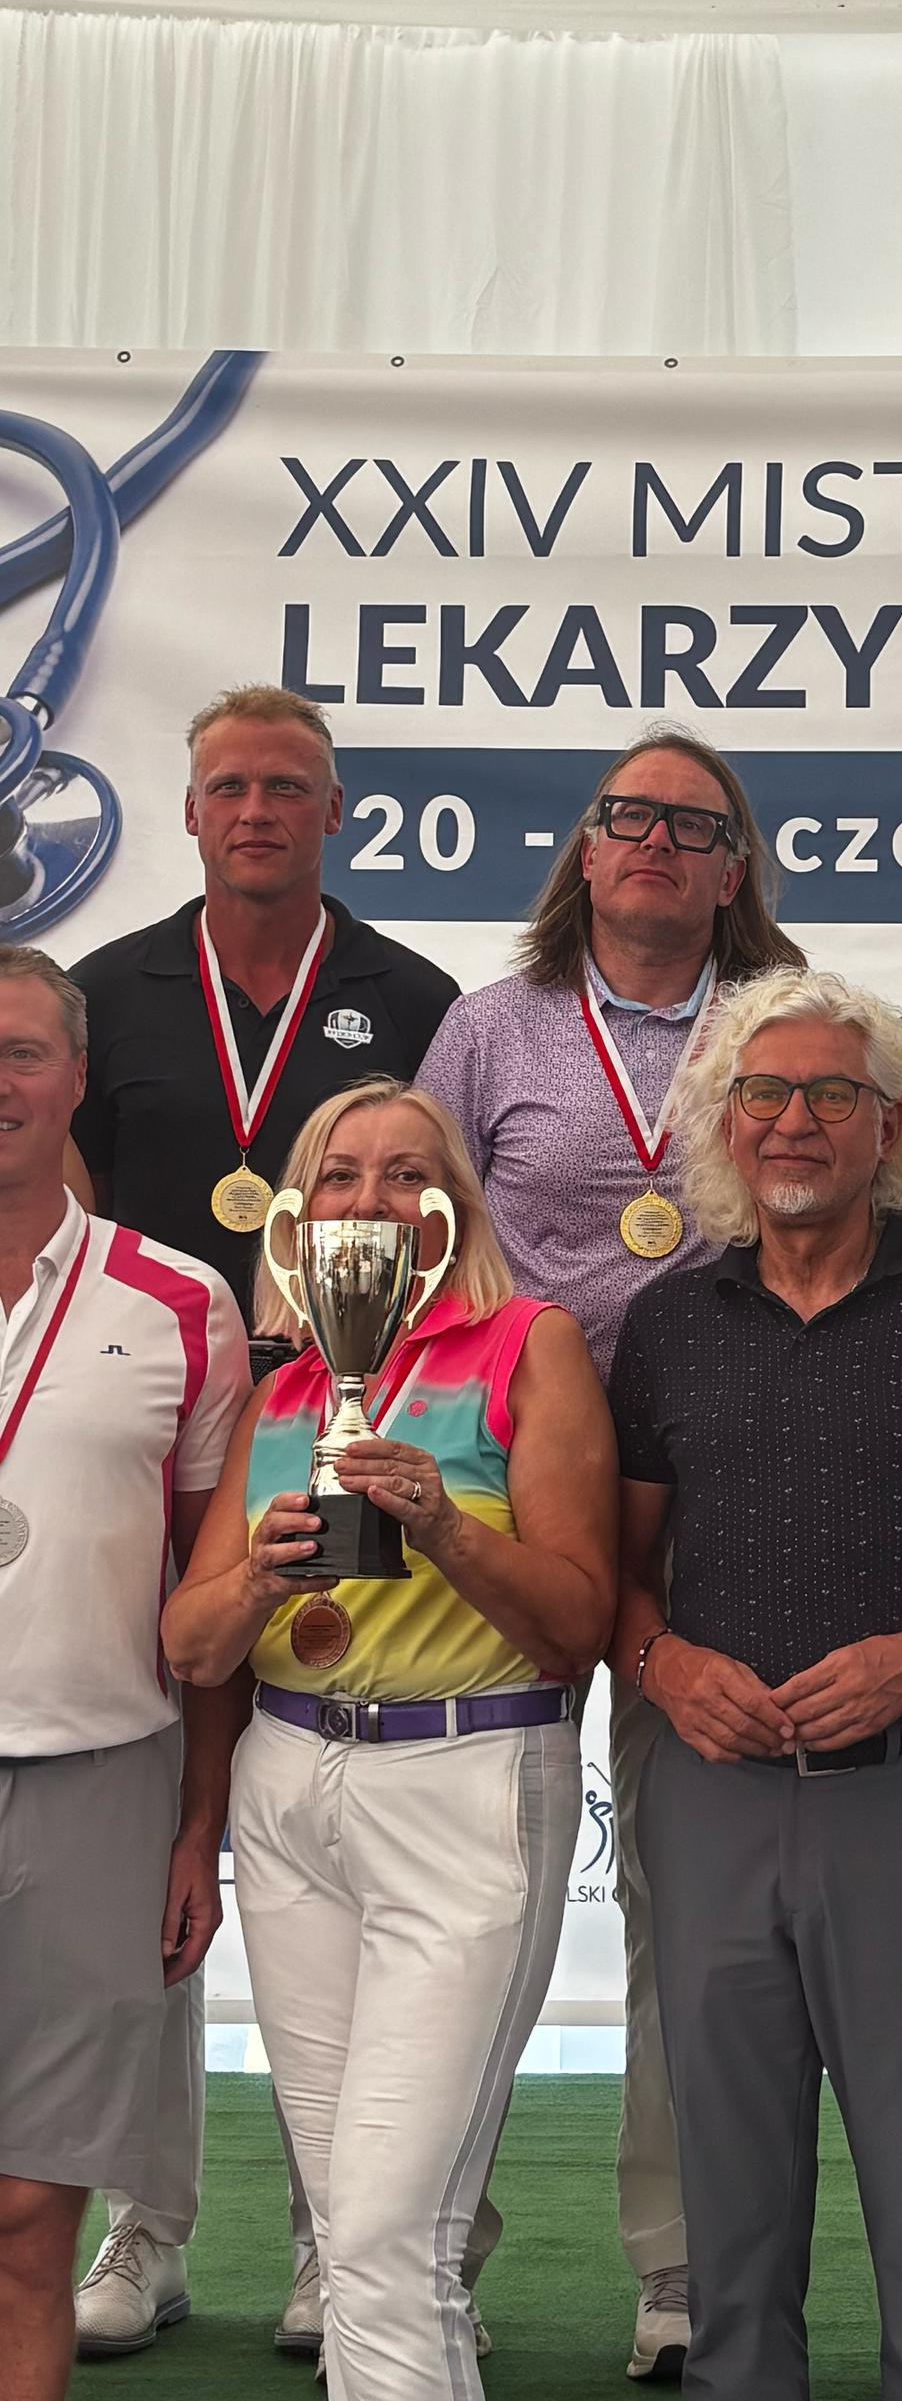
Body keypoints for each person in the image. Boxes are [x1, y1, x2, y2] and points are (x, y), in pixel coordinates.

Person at [608, 967, 902, 2401]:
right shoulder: (669, 1322)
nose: (796, 1121)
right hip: (714, 1790)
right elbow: (616, 1577)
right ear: (724, 1123)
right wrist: (663, 1664)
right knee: (730, 2188)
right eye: (764, 1093)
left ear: (890, 1127)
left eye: (835, 1094)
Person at [64, 684, 462, 2360]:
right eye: (229, 785)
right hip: (151, 1448)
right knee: (144, 1848)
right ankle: (145, 2227)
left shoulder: (416, 998)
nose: (255, 811)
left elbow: (445, 1216)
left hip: (339, 1438)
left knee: (336, 1838)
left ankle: (334, 2235)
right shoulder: (106, 992)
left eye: (287, 787)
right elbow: (72, 1217)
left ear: (335, 812)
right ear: (189, 810)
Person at [416, 726, 804, 2381]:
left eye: (690, 825)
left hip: (713, 1498)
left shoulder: (783, 1025)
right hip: (501, 1497)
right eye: (625, 817)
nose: (652, 841)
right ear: (585, 852)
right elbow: (417, 1231)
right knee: (461, 1884)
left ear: (734, 868)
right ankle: (414, 2246)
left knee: (681, 1893)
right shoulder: (491, 1025)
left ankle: (678, 2261)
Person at [162, 1077, 617, 2401]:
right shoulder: (287, 1392)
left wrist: (446, 1528)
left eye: (409, 1172)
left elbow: (577, 1625)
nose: (374, 1197)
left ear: (452, 1208)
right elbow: (192, 1645)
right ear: (297, 1220)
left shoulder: (528, 1344)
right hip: (288, 1785)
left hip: (467, 1773)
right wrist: (263, 1577)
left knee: (386, 2231)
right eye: (342, 1172)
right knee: (344, 2229)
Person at [0, 946, 250, 2401]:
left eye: (23, 1052)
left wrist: (199, 1823)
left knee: (31, 2216)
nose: (0, 1081)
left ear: (78, 1078)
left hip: (99, 1783)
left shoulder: (179, 1300)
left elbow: (210, 1601)